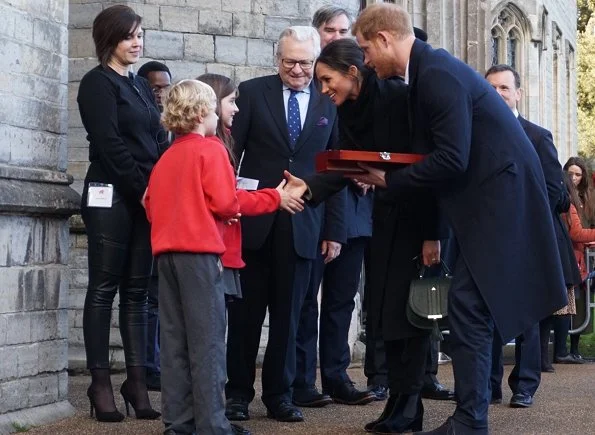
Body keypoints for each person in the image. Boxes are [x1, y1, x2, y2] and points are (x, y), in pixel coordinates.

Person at [284, 4, 567, 434]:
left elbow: (451, 159)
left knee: (469, 308)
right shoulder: (427, 75)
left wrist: (390, 184)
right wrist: (318, 184)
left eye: (364, 48)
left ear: (382, 38)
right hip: (486, 199)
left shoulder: (434, 74)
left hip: (496, 199)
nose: (364, 59)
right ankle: (469, 418)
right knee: (469, 307)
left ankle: (470, 420)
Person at [307, 37, 445, 433]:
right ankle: (399, 403)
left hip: (418, 219)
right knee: (385, 313)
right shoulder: (350, 108)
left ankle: (410, 407)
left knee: (412, 317)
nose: (323, 89)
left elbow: (424, 165)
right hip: (385, 216)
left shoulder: (396, 97)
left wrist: (432, 234)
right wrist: (308, 188)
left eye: (327, 79)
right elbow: (346, 163)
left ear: (353, 73)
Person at [224, 26, 345, 424]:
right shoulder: (253, 92)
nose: (298, 69)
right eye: (290, 61)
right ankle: (237, 394)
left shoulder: (329, 103)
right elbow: (231, 154)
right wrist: (229, 208)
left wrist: (334, 230)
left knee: (290, 318)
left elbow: (336, 169)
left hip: (305, 225)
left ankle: (280, 395)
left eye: (306, 62)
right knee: (245, 316)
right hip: (254, 222)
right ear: (277, 60)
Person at [77, 5, 163, 422]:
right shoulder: (97, 83)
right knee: (103, 288)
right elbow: (110, 145)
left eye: (140, 34)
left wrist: (161, 184)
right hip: (110, 194)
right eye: (129, 35)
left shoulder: (142, 86)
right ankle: (99, 384)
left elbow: (158, 137)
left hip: (145, 196)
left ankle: (137, 382)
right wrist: (144, 188)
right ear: (109, 38)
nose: (137, 42)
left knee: (137, 292)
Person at [146, 79, 242, 435]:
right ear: (204, 111)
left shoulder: (167, 156)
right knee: (208, 343)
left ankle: (178, 422)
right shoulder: (211, 149)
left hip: (166, 256)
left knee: (174, 343)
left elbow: (149, 204)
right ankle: (213, 424)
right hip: (199, 256)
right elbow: (225, 202)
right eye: (216, 107)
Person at [292, 6, 375, 409]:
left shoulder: (357, 93)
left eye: (345, 30)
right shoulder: (309, 88)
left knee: (342, 299)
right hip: (306, 208)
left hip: (350, 211)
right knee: (306, 300)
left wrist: (368, 167)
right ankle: (303, 379)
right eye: (330, 30)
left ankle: (337, 375)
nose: (338, 35)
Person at [485, 64, 581, 408]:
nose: (497, 94)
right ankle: (489, 385)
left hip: (531, 238)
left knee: (527, 315)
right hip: (490, 239)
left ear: (518, 94)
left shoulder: (538, 136)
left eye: (504, 88)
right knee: (490, 314)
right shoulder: (475, 133)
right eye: (491, 88)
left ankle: (524, 386)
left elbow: (558, 194)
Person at [136, 60, 172, 393]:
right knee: (147, 300)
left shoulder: (174, 127)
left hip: (169, 226)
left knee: (159, 301)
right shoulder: (145, 124)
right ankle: (148, 366)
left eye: (165, 87)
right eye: (154, 88)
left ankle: (157, 364)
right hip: (147, 220)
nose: (160, 94)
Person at [553, 157, 595, 364]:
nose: (574, 178)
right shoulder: (567, 201)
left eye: (578, 174)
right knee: (566, 304)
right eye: (571, 174)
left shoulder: (586, 198)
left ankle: (565, 349)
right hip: (569, 258)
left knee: (573, 304)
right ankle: (560, 351)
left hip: (576, 257)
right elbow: (576, 232)